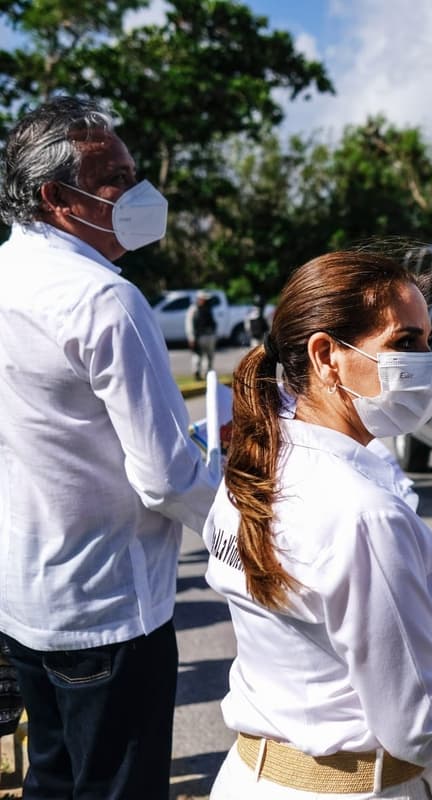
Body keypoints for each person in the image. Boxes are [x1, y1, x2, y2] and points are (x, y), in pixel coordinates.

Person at [205, 250, 432, 799]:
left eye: (427, 340)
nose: (427, 360)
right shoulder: (362, 514)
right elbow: (424, 731)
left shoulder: (258, 464)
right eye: (404, 342)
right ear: (327, 356)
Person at [0, 96, 218, 798]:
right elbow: (166, 477)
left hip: (27, 601)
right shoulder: (104, 300)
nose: (136, 192)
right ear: (54, 198)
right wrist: (252, 517)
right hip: (108, 610)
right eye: (115, 179)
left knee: (52, 780)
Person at [187, 289, 219, 379]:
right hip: (199, 336)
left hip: (210, 335)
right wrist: (191, 337)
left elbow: (213, 322)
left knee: (209, 357)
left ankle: (207, 374)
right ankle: (196, 372)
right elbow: (189, 324)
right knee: (197, 355)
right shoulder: (193, 309)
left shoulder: (208, 308)